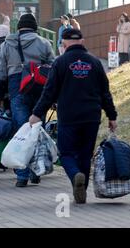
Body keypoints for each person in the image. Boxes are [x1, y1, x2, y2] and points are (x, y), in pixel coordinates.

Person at [29, 28, 117, 204]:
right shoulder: (95, 62)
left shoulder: (60, 63)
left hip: (69, 115)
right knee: (85, 154)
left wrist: (37, 113)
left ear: (63, 42)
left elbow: (49, 91)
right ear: (82, 41)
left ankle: (75, 175)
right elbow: (105, 93)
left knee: (66, 152)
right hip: (91, 115)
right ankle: (81, 191)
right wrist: (112, 116)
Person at [0, 13, 55, 187]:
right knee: (37, 130)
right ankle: (36, 171)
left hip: (18, 90)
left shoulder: (7, 44)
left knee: (22, 131)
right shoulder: (44, 43)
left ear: (19, 27)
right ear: (35, 27)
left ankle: (22, 175)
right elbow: (54, 70)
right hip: (40, 91)